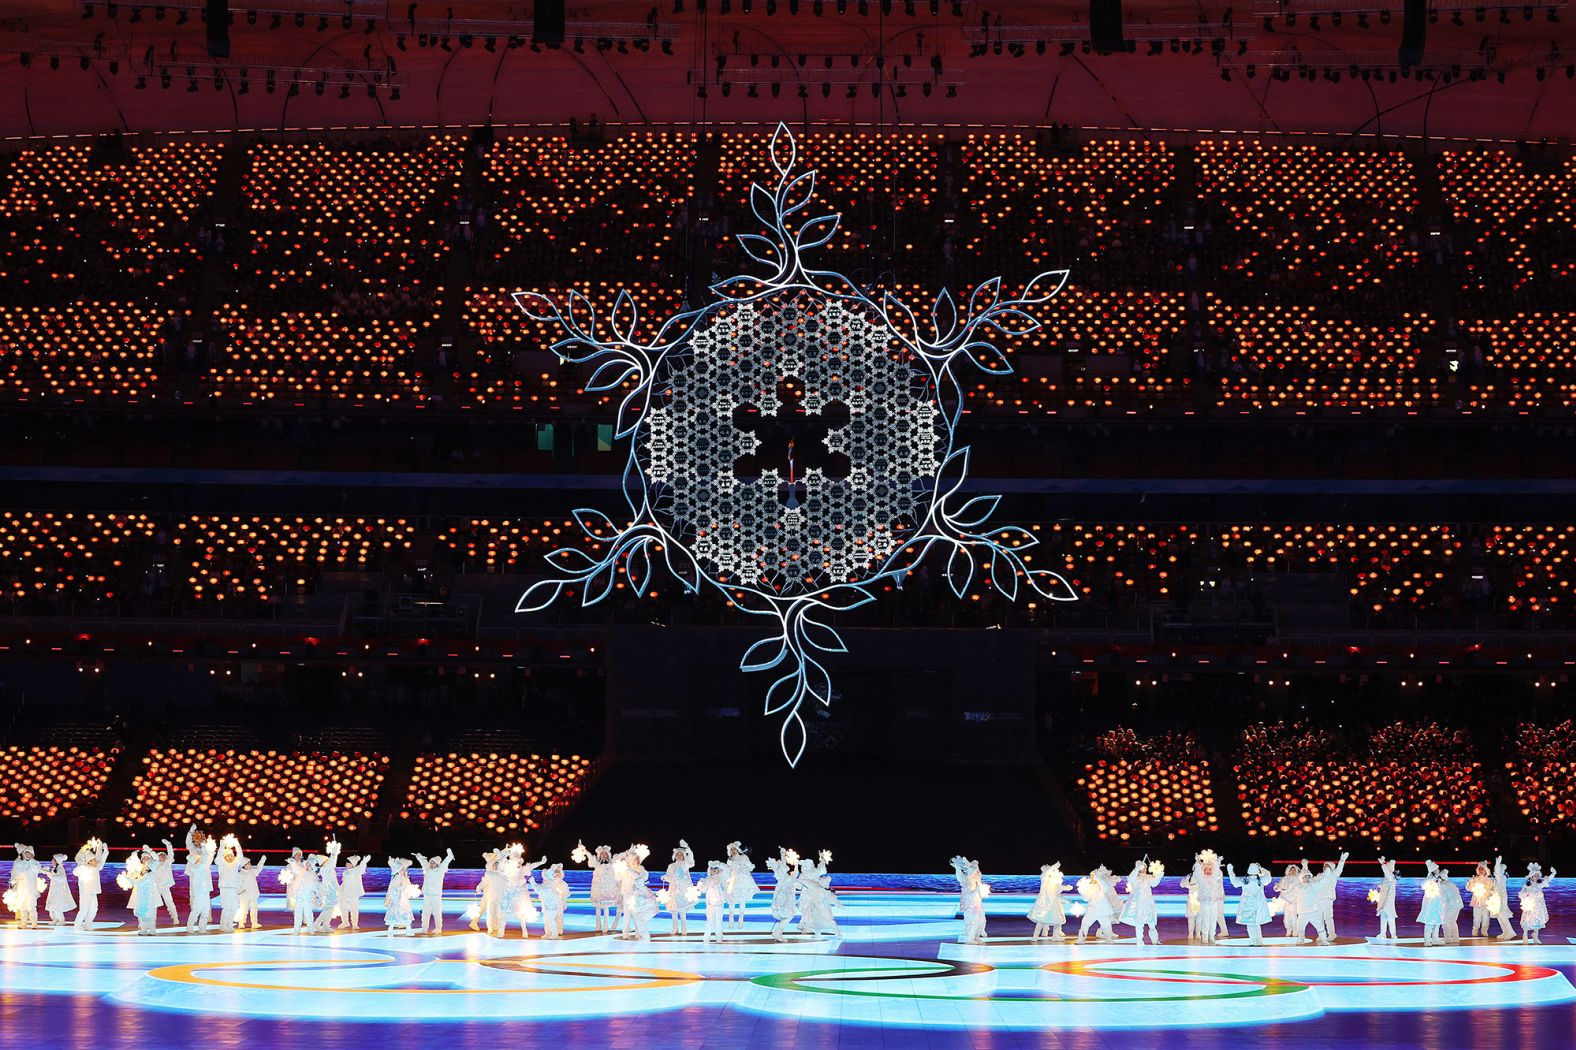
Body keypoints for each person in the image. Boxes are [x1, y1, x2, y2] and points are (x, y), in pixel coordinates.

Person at [577, 842, 620, 934]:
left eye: (605, 854)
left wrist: (628, 852)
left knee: (605, 907)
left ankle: (605, 926)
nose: (603, 856)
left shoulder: (612, 863)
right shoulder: (596, 863)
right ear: (599, 856)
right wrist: (583, 849)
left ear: (608, 855)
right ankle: (598, 926)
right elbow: (589, 855)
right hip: (597, 888)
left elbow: (620, 857)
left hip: (608, 889)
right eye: (602, 854)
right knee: (597, 907)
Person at [1227, 862, 1273, 945]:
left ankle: (1255, 940)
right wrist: (1261, 869)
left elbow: (1234, 882)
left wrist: (1230, 871)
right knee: (1255, 923)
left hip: (1250, 905)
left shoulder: (1246, 880)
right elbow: (1268, 876)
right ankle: (1257, 940)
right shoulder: (1258, 880)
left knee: (1251, 924)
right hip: (1253, 905)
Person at [797, 850, 840, 937]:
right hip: (806, 895)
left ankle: (807, 926)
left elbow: (822, 869)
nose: (804, 867)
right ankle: (804, 924)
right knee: (806, 909)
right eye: (804, 865)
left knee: (811, 910)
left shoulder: (814, 872)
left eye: (806, 865)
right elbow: (798, 886)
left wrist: (822, 859)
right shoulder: (804, 874)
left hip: (814, 894)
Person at [1075, 863, 1121, 943]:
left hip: (1103, 910)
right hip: (1092, 910)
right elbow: (1086, 898)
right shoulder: (1088, 886)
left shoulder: (1102, 885)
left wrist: (1099, 879)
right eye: (1092, 876)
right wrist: (1082, 891)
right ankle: (1081, 938)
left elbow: (1106, 888)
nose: (1093, 878)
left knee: (1106, 925)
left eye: (1094, 876)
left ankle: (1108, 939)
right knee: (1085, 924)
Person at [414, 848, 456, 935]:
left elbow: (445, 863)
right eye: (430, 862)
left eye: (433, 863)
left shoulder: (440, 870)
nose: (431, 864)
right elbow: (423, 862)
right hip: (427, 894)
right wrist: (419, 857)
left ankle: (438, 928)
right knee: (425, 912)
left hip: (436, 895)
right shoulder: (427, 869)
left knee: (437, 912)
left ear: (437, 864)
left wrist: (449, 856)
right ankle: (424, 928)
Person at [184, 826, 217, 933]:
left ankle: (202, 927)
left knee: (206, 909)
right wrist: (190, 832)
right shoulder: (196, 865)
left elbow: (209, 856)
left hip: (205, 888)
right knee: (196, 908)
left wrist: (207, 847)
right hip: (198, 889)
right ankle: (190, 926)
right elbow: (188, 842)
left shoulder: (204, 859)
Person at [950, 855, 989, 945]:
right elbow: (968, 895)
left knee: (981, 920)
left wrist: (982, 891)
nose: (978, 874)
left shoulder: (976, 881)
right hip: (971, 905)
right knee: (974, 921)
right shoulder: (967, 882)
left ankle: (976, 937)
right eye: (976, 872)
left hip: (977, 904)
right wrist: (976, 890)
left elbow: (980, 892)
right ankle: (970, 939)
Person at [73, 838, 110, 930]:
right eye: (93, 860)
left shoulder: (96, 867)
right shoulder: (83, 867)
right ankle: (77, 925)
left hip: (93, 892)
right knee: (84, 910)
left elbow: (101, 859)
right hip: (85, 892)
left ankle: (87, 924)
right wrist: (82, 864)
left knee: (94, 909)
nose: (95, 861)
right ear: (89, 861)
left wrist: (104, 850)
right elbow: (75, 871)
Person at [1312, 853, 1349, 940]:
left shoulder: (1333, 874)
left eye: (1328, 866)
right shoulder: (1319, 875)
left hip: (1327, 899)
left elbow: (1339, 869)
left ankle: (1332, 934)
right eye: (1325, 866)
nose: (1326, 867)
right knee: (1319, 918)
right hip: (1318, 899)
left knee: (1328, 917)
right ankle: (1321, 934)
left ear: (1331, 867)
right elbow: (1310, 882)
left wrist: (1342, 860)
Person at [1028, 862, 1068, 941]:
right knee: (1042, 920)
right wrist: (1053, 867)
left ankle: (1054, 936)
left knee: (1057, 919)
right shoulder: (1044, 878)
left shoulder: (1051, 880)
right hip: (1045, 903)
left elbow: (1058, 888)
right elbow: (1047, 873)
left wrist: (1066, 888)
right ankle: (1035, 937)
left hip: (1053, 903)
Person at [664, 841, 698, 936]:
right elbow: (669, 876)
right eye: (677, 854)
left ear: (683, 856)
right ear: (675, 856)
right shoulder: (671, 866)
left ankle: (684, 928)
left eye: (681, 854)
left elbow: (691, 858)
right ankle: (675, 928)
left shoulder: (685, 864)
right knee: (674, 910)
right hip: (674, 889)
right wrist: (665, 878)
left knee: (682, 910)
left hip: (683, 889)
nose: (679, 856)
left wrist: (687, 847)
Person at [123, 849, 159, 936]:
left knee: (150, 913)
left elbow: (156, 859)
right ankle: (143, 929)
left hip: (150, 894)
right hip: (141, 894)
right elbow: (134, 875)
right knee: (142, 912)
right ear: (142, 860)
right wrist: (133, 856)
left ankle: (152, 929)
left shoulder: (152, 870)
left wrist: (149, 850)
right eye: (144, 858)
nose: (146, 860)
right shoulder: (140, 870)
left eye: (148, 858)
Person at [724, 842, 759, 932]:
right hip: (733, 881)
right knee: (731, 900)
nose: (733, 851)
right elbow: (727, 871)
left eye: (734, 849)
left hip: (742, 881)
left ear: (737, 850)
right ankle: (731, 918)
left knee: (742, 900)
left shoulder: (744, 857)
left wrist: (745, 864)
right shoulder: (729, 860)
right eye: (731, 850)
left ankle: (741, 918)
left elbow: (750, 867)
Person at [215, 836, 247, 933]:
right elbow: (218, 858)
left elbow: (240, 856)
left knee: (234, 907)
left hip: (233, 888)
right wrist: (222, 846)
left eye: (232, 855)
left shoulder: (235, 863)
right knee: (227, 907)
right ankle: (223, 925)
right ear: (225, 857)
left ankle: (229, 924)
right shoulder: (222, 864)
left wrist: (237, 844)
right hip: (225, 888)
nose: (230, 857)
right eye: (228, 856)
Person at [1194, 850, 1226, 946]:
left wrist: (1216, 862)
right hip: (1204, 901)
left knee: (1213, 919)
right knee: (1205, 918)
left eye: (1210, 870)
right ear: (1203, 871)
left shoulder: (1215, 877)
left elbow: (1217, 871)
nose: (1208, 872)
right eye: (1206, 870)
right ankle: (1204, 936)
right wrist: (1198, 862)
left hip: (1213, 901)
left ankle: (1211, 936)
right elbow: (1197, 871)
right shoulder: (1201, 879)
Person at [7, 844, 42, 928]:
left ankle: (34, 923)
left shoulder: (35, 863)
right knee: (23, 906)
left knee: (32, 906)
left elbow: (35, 870)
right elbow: (16, 873)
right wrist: (14, 879)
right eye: (25, 853)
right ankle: (24, 923)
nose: (27, 855)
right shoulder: (20, 863)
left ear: (32, 854)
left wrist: (30, 862)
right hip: (22, 888)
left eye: (29, 853)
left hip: (31, 888)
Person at [1520, 862, 1556, 944]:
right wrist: (1526, 895)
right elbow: (1521, 893)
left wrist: (1553, 873)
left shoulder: (1539, 885)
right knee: (1527, 921)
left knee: (1537, 921)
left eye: (1537, 876)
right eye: (1535, 876)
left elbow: (1547, 880)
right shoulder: (1526, 885)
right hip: (1530, 906)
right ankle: (1525, 935)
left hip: (1538, 906)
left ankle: (1535, 936)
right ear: (1531, 876)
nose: (1536, 877)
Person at [536, 863, 570, 940]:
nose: (556, 874)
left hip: (558, 903)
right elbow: (542, 891)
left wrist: (564, 902)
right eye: (555, 872)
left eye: (558, 872)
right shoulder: (547, 882)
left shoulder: (563, 884)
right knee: (546, 917)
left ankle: (559, 930)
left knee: (558, 916)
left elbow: (564, 894)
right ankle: (547, 932)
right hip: (547, 902)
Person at [151, 839, 180, 927]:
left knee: (170, 902)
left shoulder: (167, 862)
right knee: (154, 904)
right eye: (160, 855)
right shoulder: (154, 865)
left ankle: (175, 918)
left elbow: (171, 854)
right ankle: (152, 920)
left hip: (165, 887)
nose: (162, 856)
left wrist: (169, 845)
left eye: (164, 855)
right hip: (156, 887)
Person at [1490, 855, 1518, 940]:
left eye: (1496, 869)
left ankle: (1510, 931)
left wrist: (1497, 862)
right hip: (1497, 897)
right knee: (1499, 914)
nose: (1495, 871)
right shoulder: (1497, 878)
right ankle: (1505, 931)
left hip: (1501, 897)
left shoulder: (1501, 876)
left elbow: (1497, 870)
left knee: (1502, 913)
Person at [385, 857, 416, 935]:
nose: (403, 871)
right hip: (396, 900)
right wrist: (398, 889)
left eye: (404, 869)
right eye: (401, 869)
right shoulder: (395, 878)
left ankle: (408, 930)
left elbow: (408, 886)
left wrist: (410, 891)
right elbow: (391, 890)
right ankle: (390, 929)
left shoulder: (405, 878)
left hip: (404, 899)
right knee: (394, 913)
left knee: (405, 912)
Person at [1418, 860, 1446, 946]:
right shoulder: (1429, 879)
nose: (1438, 870)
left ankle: (1435, 938)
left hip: (1437, 904)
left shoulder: (1438, 879)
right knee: (1429, 922)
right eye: (1436, 868)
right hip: (1431, 904)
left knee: (1437, 922)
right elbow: (1424, 886)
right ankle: (1427, 940)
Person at [700, 860, 729, 942]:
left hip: (719, 903)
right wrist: (700, 884)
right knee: (709, 921)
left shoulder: (722, 877)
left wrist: (719, 864)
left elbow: (727, 869)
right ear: (709, 870)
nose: (714, 870)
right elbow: (703, 889)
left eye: (716, 868)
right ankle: (706, 936)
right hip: (710, 904)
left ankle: (719, 936)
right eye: (712, 868)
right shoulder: (708, 879)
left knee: (719, 921)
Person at [339, 853, 370, 930]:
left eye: (349, 863)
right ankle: (345, 922)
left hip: (353, 892)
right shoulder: (345, 871)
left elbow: (361, 868)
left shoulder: (356, 870)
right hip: (344, 892)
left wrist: (364, 862)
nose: (347, 864)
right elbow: (344, 881)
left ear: (353, 864)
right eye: (347, 863)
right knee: (343, 907)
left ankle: (355, 924)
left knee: (354, 908)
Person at [43, 853, 75, 926]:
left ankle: (61, 920)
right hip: (54, 890)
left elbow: (61, 878)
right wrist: (46, 872)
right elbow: (53, 877)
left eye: (53, 860)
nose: (51, 861)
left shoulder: (60, 868)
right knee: (51, 906)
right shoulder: (55, 869)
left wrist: (52, 875)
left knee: (57, 906)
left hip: (58, 891)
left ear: (56, 861)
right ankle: (55, 919)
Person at [1466, 861, 1496, 937]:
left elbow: (1493, 890)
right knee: (1476, 917)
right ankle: (1475, 931)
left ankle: (1484, 931)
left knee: (1486, 918)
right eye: (1480, 869)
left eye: (1483, 869)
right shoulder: (1475, 879)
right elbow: (1469, 888)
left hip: (1486, 901)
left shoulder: (1489, 880)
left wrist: (1489, 892)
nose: (1481, 871)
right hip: (1477, 901)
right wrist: (1469, 882)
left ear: (1486, 870)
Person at [1374, 856, 1399, 942]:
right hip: (1383, 901)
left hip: (1388, 901)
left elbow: (1386, 872)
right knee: (1383, 917)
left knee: (1390, 917)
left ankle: (1393, 934)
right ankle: (1383, 933)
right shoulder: (1385, 879)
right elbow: (1381, 888)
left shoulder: (1391, 877)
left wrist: (1382, 863)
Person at [238, 856, 267, 930]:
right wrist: (239, 892)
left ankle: (254, 923)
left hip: (253, 893)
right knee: (243, 909)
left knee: (254, 908)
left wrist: (262, 860)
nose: (250, 864)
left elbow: (259, 868)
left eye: (249, 863)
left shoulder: (252, 871)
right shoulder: (240, 874)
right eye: (248, 863)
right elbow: (237, 884)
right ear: (244, 865)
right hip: (244, 895)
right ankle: (241, 922)